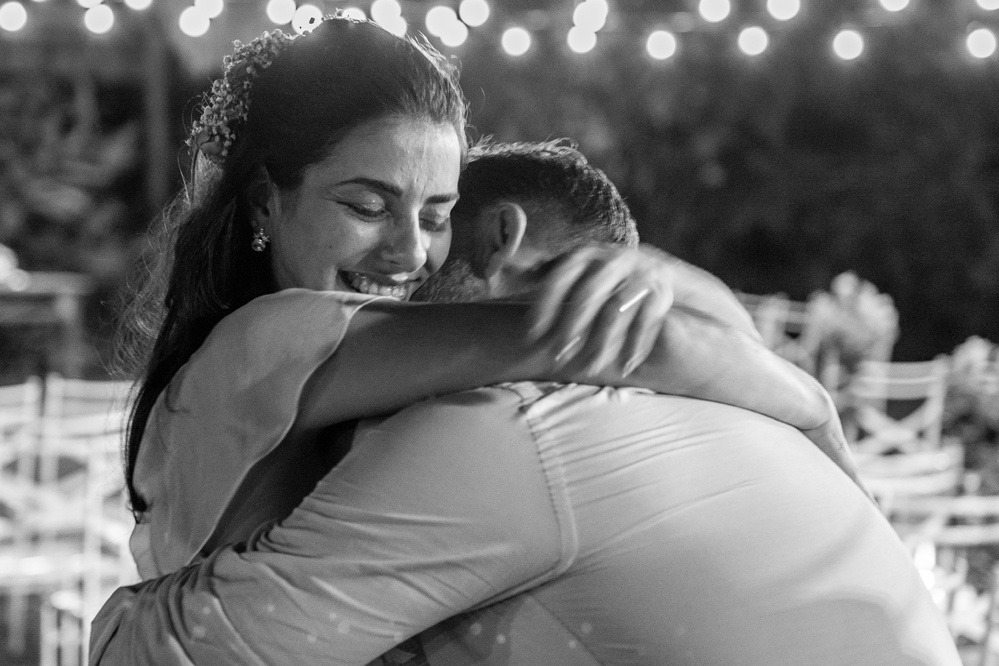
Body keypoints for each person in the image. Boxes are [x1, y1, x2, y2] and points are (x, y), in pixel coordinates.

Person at [90, 140, 959, 665]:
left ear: (498, 236)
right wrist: (799, 401)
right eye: (370, 207)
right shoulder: (721, 400)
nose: (409, 269)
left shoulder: (505, 425)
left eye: (436, 223)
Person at [116, 13, 851, 583]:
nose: (410, 252)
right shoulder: (274, 338)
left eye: (435, 215)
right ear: (263, 202)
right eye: (367, 207)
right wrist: (817, 416)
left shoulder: (295, 355)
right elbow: (633, 344)